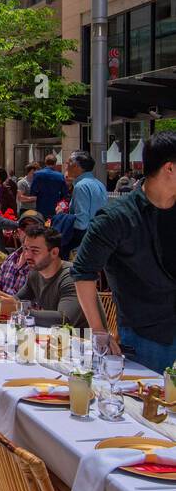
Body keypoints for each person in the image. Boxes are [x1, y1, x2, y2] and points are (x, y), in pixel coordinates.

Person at [72, 132, 176, 373]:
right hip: (146, 337)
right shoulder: (116, 217)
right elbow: (83, 272)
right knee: (148, 409)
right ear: (169, 168)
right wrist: (99, 331)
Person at [8, 224, 86, 326]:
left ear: (54, 252)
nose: (27, 255)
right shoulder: (35, 274)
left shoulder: (71, 277)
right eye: (26, 249)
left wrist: (19, 310)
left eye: (35, 251)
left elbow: (64, 320)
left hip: (83, 338)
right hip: (56, 337)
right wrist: (1, 300)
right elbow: (17, 300)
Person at [66, 151, 109, 250]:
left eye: (68, 163)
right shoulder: (99, 183)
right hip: (100, 237)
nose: (66, 166)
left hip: (84, 243)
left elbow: (81, 222)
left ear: (76, 166)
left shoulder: (81, 186)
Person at [0, 212, 42, 298]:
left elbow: (38, 306)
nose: (28, 232)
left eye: (34, 228)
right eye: (24, 227)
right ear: (19, 231)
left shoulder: (43, 265)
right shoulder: (9, 259)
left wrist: (8, 301)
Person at [28, 154, 68, 220]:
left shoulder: (37, 174)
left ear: (45, 163)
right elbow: (65, 193)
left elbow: (32, 192)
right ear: (55, 163)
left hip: (41, 206)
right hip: (55, 207)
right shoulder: (60, 176)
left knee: (42, 226)